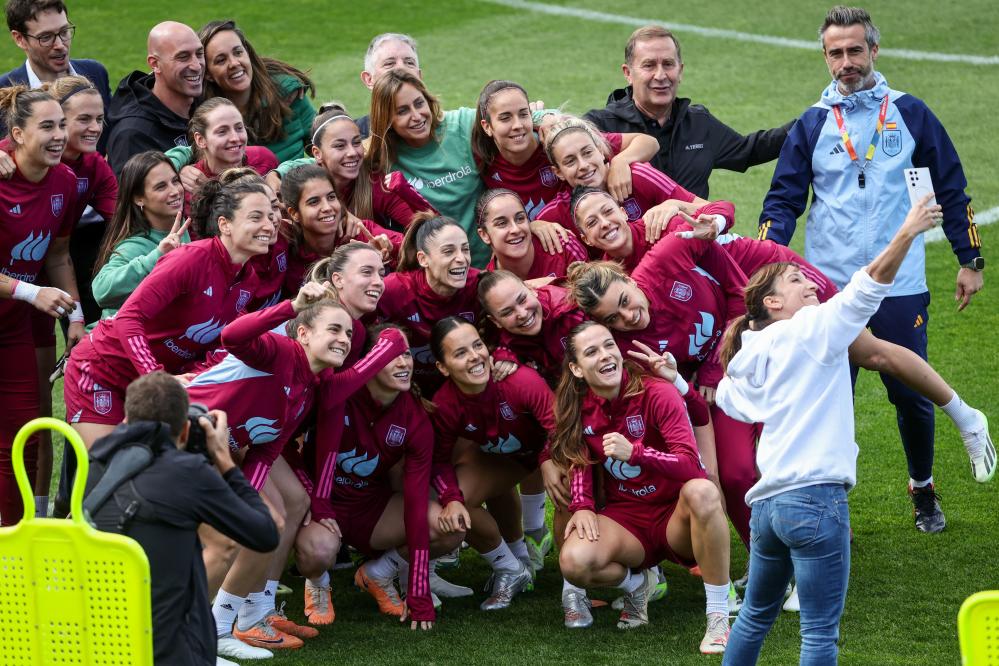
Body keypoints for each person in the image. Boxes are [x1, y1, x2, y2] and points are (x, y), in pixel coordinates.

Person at [758, 5, 988, 533]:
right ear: (825, 57)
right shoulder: (812, 123)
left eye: (854, 50)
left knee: (911, 395)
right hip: (828, 289)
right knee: (824, 402)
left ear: (874, 51)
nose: (846, 62)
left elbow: (951, 188)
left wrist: (968, 258)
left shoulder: (910, 113)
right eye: (835, 53)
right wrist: (766, 265)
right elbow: (783, 202)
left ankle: (923, 488)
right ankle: (826, 506)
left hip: (898, 284)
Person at [717, 198, 942, 665]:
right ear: (772, 303)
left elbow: (726, 401)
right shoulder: (813, 329)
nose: (809, 281)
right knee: (819, 633)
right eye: (795, 279)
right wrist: (908, 229)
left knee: (755, 616)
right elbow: (869, 286)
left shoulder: (750, 352)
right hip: (816, 501)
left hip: (767, 509)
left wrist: (677, 379)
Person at [551, 321, 732, 652]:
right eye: (592, 352)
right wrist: (583, 505)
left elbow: (691, 466)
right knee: (574, 562)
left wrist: (636, 452)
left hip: (676, 518)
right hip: (627, 521)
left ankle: (719, 615)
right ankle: (638, 584)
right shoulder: (574, 404)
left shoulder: (657, 392)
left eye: (609, 346)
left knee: (703, 491)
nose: (606, 356)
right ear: (576, 368)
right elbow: (577, 456)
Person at [85, 371, 279, 666]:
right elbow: (265, 534)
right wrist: (223, 458)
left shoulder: (92, 462)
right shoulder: (187, 472)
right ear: (185, 432)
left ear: (126, 419)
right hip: (169, 650)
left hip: (101, 642)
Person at [63, 180, 273, 448]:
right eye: (256, 217)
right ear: (225, 224)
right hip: (103, 370)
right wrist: (157, 376)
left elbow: (214, 343)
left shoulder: (248, 279)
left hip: (155, 382)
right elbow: (129, 318)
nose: (269, 224)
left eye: (270, 215)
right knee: (111, 470)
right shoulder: (191, 259)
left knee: (150, 475)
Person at [335, 324, 466, 629]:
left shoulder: (415, 417)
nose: (405, 362)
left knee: (450, 528)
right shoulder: (340, 391)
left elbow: (416, 505)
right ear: (369, 358)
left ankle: (380, 571)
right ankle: (304, 587)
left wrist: (419, 594)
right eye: (394, 354)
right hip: (316, 512)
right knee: (315, 549)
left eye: (407, 354)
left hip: (370, 512)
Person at [429, 316, 556, 610]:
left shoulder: (519, 380)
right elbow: (439, 460)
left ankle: (575, 587)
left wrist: (549, 461)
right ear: (443, 367)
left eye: (477, 345)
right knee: (456, 500)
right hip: (502, 457)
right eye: (460, 353)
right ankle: (512, 567)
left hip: (548, 452)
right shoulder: (445, 402)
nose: (475, 356)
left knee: (566, 481)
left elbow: (559, 431)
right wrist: (451, 498)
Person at [366, 70, 555, 267]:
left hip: (499, 261)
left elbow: (510, 115)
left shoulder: (461, 124)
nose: (416, 116)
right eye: (402, 111)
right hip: (448, 271)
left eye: (419, 103)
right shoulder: (383, 159)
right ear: (386, 118)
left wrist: (547, 117)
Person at [0, 85, 83, 525]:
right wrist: (33, 293)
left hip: (11, 328)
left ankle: (13, 543)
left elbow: (57, 254)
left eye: (61, 125)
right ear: (16, 134)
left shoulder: (64, 182)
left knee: (23, 438)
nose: (59, 135)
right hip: (19, 310)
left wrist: (76, 315)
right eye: (47, 126)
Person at [584, 24, 790, 198]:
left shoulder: (699, 123)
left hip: (694, 241)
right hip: (630, 243)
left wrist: (813, 121)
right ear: (628, 73)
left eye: (668, 64)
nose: (660, 75)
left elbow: (750, 150)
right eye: (649, 65)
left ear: (680, 71)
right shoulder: (598, 126)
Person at [163, 19, 317, 193]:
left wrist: (281, 174)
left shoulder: (288, 96)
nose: (234, 63)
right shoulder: (201, 110)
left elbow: (328, 151)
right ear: (208, 74)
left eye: (238, 52)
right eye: (221, 60)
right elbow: (187, 151)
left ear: (248, 54)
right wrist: (180, 169)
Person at [471, 79, 658, 220]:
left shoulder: (555, 139)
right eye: (505, 118)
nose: (518, 125)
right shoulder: (483, 160)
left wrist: (620, 161)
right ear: (487, 126)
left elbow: (648, 142)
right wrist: (533, 226)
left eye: (523, 114)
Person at [270, 103, 434, 232]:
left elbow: (427, 228)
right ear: (317, 153)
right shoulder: (300, 183)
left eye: (356, 142)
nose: (352, 153)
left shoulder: (375, 183)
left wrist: (388, 243)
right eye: (340, 146)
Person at [374, 214, 482, 393]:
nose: (462, 259)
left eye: (465, 249)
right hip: (405, 391)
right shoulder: (395, 290)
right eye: (449, 251)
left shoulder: (478, 284)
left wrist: (503, 354)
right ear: (423, 259)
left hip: (459, 390)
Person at [91, 151, 189, 323]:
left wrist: (205, 143)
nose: (175, 191)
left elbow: (177, 156)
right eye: (161, 187)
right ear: (139, 199)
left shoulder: (177, 221)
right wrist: (158, 256)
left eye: (175, 181)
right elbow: (101, 290)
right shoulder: (134, 245)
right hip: (118, 343)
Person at [0, 0, 111, 141]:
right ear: (20, 38)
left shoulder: (95, 73)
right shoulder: (3, 91)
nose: (60, 45)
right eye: (46, 37)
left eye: (64, 32)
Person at [106, 21, 204, 175]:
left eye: (199, 54)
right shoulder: (133, 135)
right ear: (155, 64)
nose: (197, 65)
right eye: (183, 57)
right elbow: (129, 197)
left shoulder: (204, 104)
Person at [476, 188, 587, 280]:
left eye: (520, 218)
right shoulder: (490, 282)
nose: (516, 229)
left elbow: (595, 294)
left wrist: (552, 284)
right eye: (502, 223)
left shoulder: (563, 244)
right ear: (484, 235)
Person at [354, 32, 422, 137]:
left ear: (419, 76)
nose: (401, 68)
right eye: (389, 64)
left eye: (409, 62)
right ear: (369, 79)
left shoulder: (447, 128)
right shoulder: (353, 139)